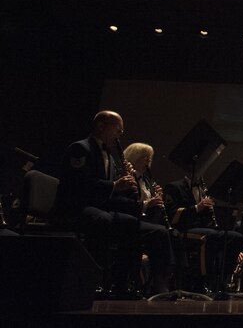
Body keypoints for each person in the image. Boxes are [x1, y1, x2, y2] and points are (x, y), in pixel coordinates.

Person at [56, 111, 174, 297]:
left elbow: (112, 195)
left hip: (101, 208)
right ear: (101, 127)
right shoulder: (80, 149)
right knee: (107, 221)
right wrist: (114, 185)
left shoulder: (110, 157)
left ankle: (127, 285)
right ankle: (91, 282)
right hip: (76, 208)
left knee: (144, 227)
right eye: (117, 129)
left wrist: (136, 199)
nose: (120, 134)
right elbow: (79, 185)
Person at [163, 175, 243, 293]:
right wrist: (197, 207)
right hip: (183, 229)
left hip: (203, 228)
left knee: (236, 238)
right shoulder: (174, 187)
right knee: (209, 237)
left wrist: (211, 210)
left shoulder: (201, 189)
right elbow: (172, 216)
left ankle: (222, 280)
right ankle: (201, 282)